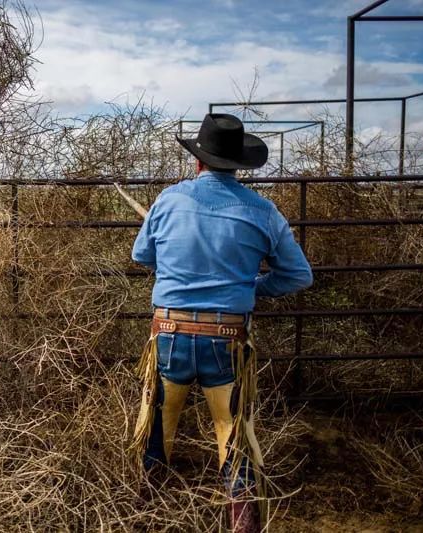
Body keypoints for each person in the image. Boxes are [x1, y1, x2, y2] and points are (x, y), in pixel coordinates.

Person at [130, 114, 312, 532]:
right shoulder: (264, 212)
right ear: (238, 166)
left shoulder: (168, 200)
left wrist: (177, 264)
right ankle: (242, 522)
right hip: (228, 338)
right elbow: (299, 275)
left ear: (198, 162)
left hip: (170, 334)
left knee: (157, 423)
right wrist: (252, 287)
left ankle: (147, 510)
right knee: (234, 432)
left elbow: (142, 256)